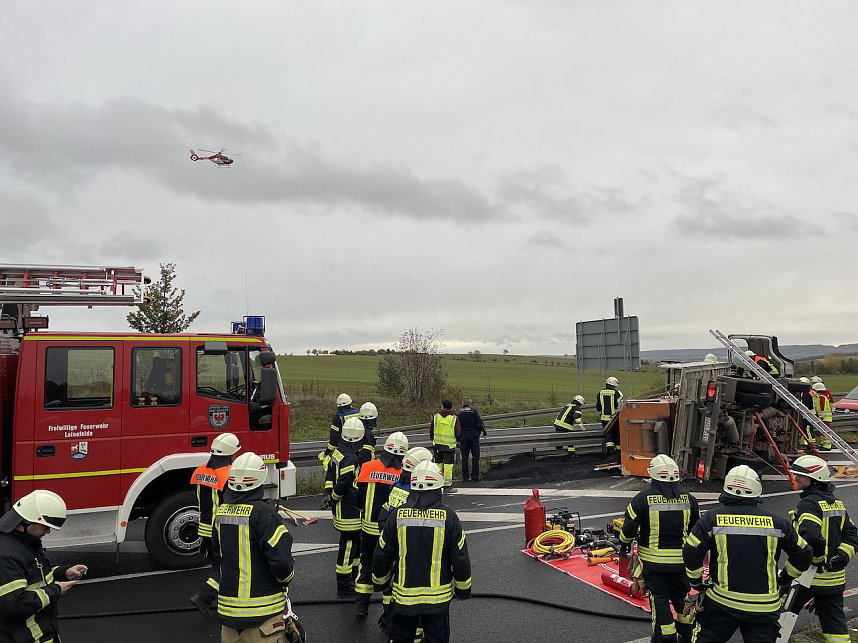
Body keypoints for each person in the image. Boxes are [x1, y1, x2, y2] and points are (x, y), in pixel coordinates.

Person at [683, 465, 813, 643]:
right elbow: (804, 553)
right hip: (764, 607)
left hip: (722, 603)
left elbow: (691, 551)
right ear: (756, 491)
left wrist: (696, 582)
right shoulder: (778, 523)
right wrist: (784, 577)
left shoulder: (711, 519)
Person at [372, 461, 472, 643]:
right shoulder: (449, 518)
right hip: (438, 601)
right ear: (438, 488)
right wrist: (463, 590)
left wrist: (380, 582)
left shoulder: (397, 516)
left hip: (404, 600)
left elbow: (382, 553)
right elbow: (460, 557)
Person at [206, 451, 298, 643]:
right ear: (260, 480)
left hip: (228, 615)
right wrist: (284, 581)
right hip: (264, 615)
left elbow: (217, 559)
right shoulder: (265, 515)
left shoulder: (221, 514)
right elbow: (282, 562)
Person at [620, 454, 700, 643]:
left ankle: (666, 637)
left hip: (655, 564)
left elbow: (628, 529)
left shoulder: (642, 499)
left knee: (660, 600)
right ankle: (687, 634)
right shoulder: (690, 500)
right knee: (682, 598)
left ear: (652, 475)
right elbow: (697, 532)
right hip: (682, 563)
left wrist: (624, 544)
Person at [0, 490, 87, 643]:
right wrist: (56, 590)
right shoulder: (6, 554)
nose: (48, 531)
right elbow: (13, 605)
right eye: (44, 526)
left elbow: (37, 577)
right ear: (27, 521)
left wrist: (63, 573)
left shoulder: (26, 543)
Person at [788, 455, 858, 643]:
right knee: (836, 629)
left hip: (807, 577)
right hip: (834, 581)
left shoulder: (808, 504)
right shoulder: (836, 503)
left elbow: (811, 536)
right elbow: (852, 536)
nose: (796, 479)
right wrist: (841, 557)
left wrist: (818, 558)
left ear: (814, 478)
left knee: (779, 618)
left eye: (800, 476)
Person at [375, 446, 435, 634]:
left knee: (393, 583)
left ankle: (389, 615)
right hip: (407, 544)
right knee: (409, 587)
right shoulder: (416, 491)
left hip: (392, 538)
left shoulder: (398, 484)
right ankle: (401, 622)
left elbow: (386, 512)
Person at [354, 431, 409, 617]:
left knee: (366, 564)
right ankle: (388, 609)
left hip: (368, 528)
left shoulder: (367, 467)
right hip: (390, 531)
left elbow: (359, 499)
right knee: (390, 568)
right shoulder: (402, 474)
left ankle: (361, 606)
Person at [190, 432, 241, 619]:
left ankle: (222, 601)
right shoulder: (227, 475)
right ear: (231, 453)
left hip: (204, 528)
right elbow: (231, 505)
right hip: (220, 530)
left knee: (218, 566)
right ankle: (204, 597)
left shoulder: (201, 471)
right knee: (228, 567)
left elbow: (200, 501)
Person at [324, 415, 365, 599]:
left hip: (343, 508)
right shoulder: (350, 458)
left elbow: (331, 475)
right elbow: (344, 482)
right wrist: (333, 497)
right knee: (348, 547)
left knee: (355, 545)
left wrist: (329, 495)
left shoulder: (338, 452)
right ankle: (344, 585)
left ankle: (353, 579)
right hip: (348, 509)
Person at [318, 393, 359, 468]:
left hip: (346, 450)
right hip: (360, 449)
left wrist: (326, 453)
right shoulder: (358, 414)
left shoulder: (338, 418)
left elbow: (334, 440)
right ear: (350, 403)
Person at [430, 400, 461, 488]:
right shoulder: (454, 418)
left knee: (438, 465)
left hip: (437, 445)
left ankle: (437, 483)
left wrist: (433, 440)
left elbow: (431, 430)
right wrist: (457, 440)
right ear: (451, 408)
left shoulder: (436, 417)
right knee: (448, 466)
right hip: (449, 446)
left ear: (442, 407)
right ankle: (447, 485)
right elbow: (458, 432)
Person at [457, 396, 487, 482]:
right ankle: (475, 476)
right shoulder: (473, 412)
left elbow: (457, 426)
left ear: (462, 403)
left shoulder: (459, 413)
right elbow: (479, 424)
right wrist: (484, 432)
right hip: (473, 436)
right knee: (475, 457)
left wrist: (458, 438)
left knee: (465, 458)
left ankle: (465, 477)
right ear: (470, 403)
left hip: (463, 437)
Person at [596, 377, 623, 456]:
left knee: (608, 436)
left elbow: (598, 406)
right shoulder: (616, 393)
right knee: (617, 435)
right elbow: (620, 405)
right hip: (614, 419)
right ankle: (618, 453)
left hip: (604, 419)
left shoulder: (600, 392)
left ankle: (611, 453)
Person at [811, 382, 833, 451]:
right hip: (825, 418)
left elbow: (821, 408)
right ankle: (824, 444)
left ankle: (827, 446)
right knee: (824, 432)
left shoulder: (821, 397)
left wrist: (820, 416)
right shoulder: (822, 396)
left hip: (824, 418)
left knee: (825, 432)